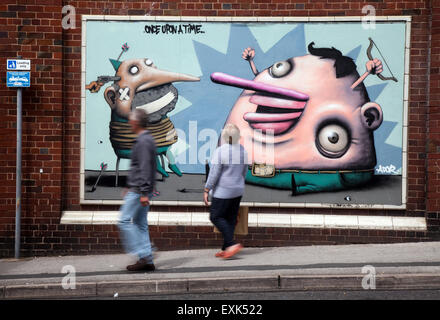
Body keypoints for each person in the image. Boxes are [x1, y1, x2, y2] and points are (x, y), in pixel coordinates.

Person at [118, 108, 157, 271]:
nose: (128, 123)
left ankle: (144, 253)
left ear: (135, 122)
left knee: (124, 221)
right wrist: (129, 185)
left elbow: (145, 168)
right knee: (140, 223)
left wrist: (143, 193)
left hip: (139, 190)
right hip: (138, 188)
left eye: (130, 120)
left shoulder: (143, 141)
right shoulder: (146, 140)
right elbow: (140, 167)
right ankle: (146, 260)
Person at [204, 124, 248, 259]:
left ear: (224, 137)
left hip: (223, 191)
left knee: (215, 217)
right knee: (230, 218)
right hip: (237, 190)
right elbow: (244, 170)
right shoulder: (242, 151)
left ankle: (231, 243)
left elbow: (214, 172)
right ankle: (226, 248)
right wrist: (238, 182)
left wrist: (207, 189)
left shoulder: (221, 151)